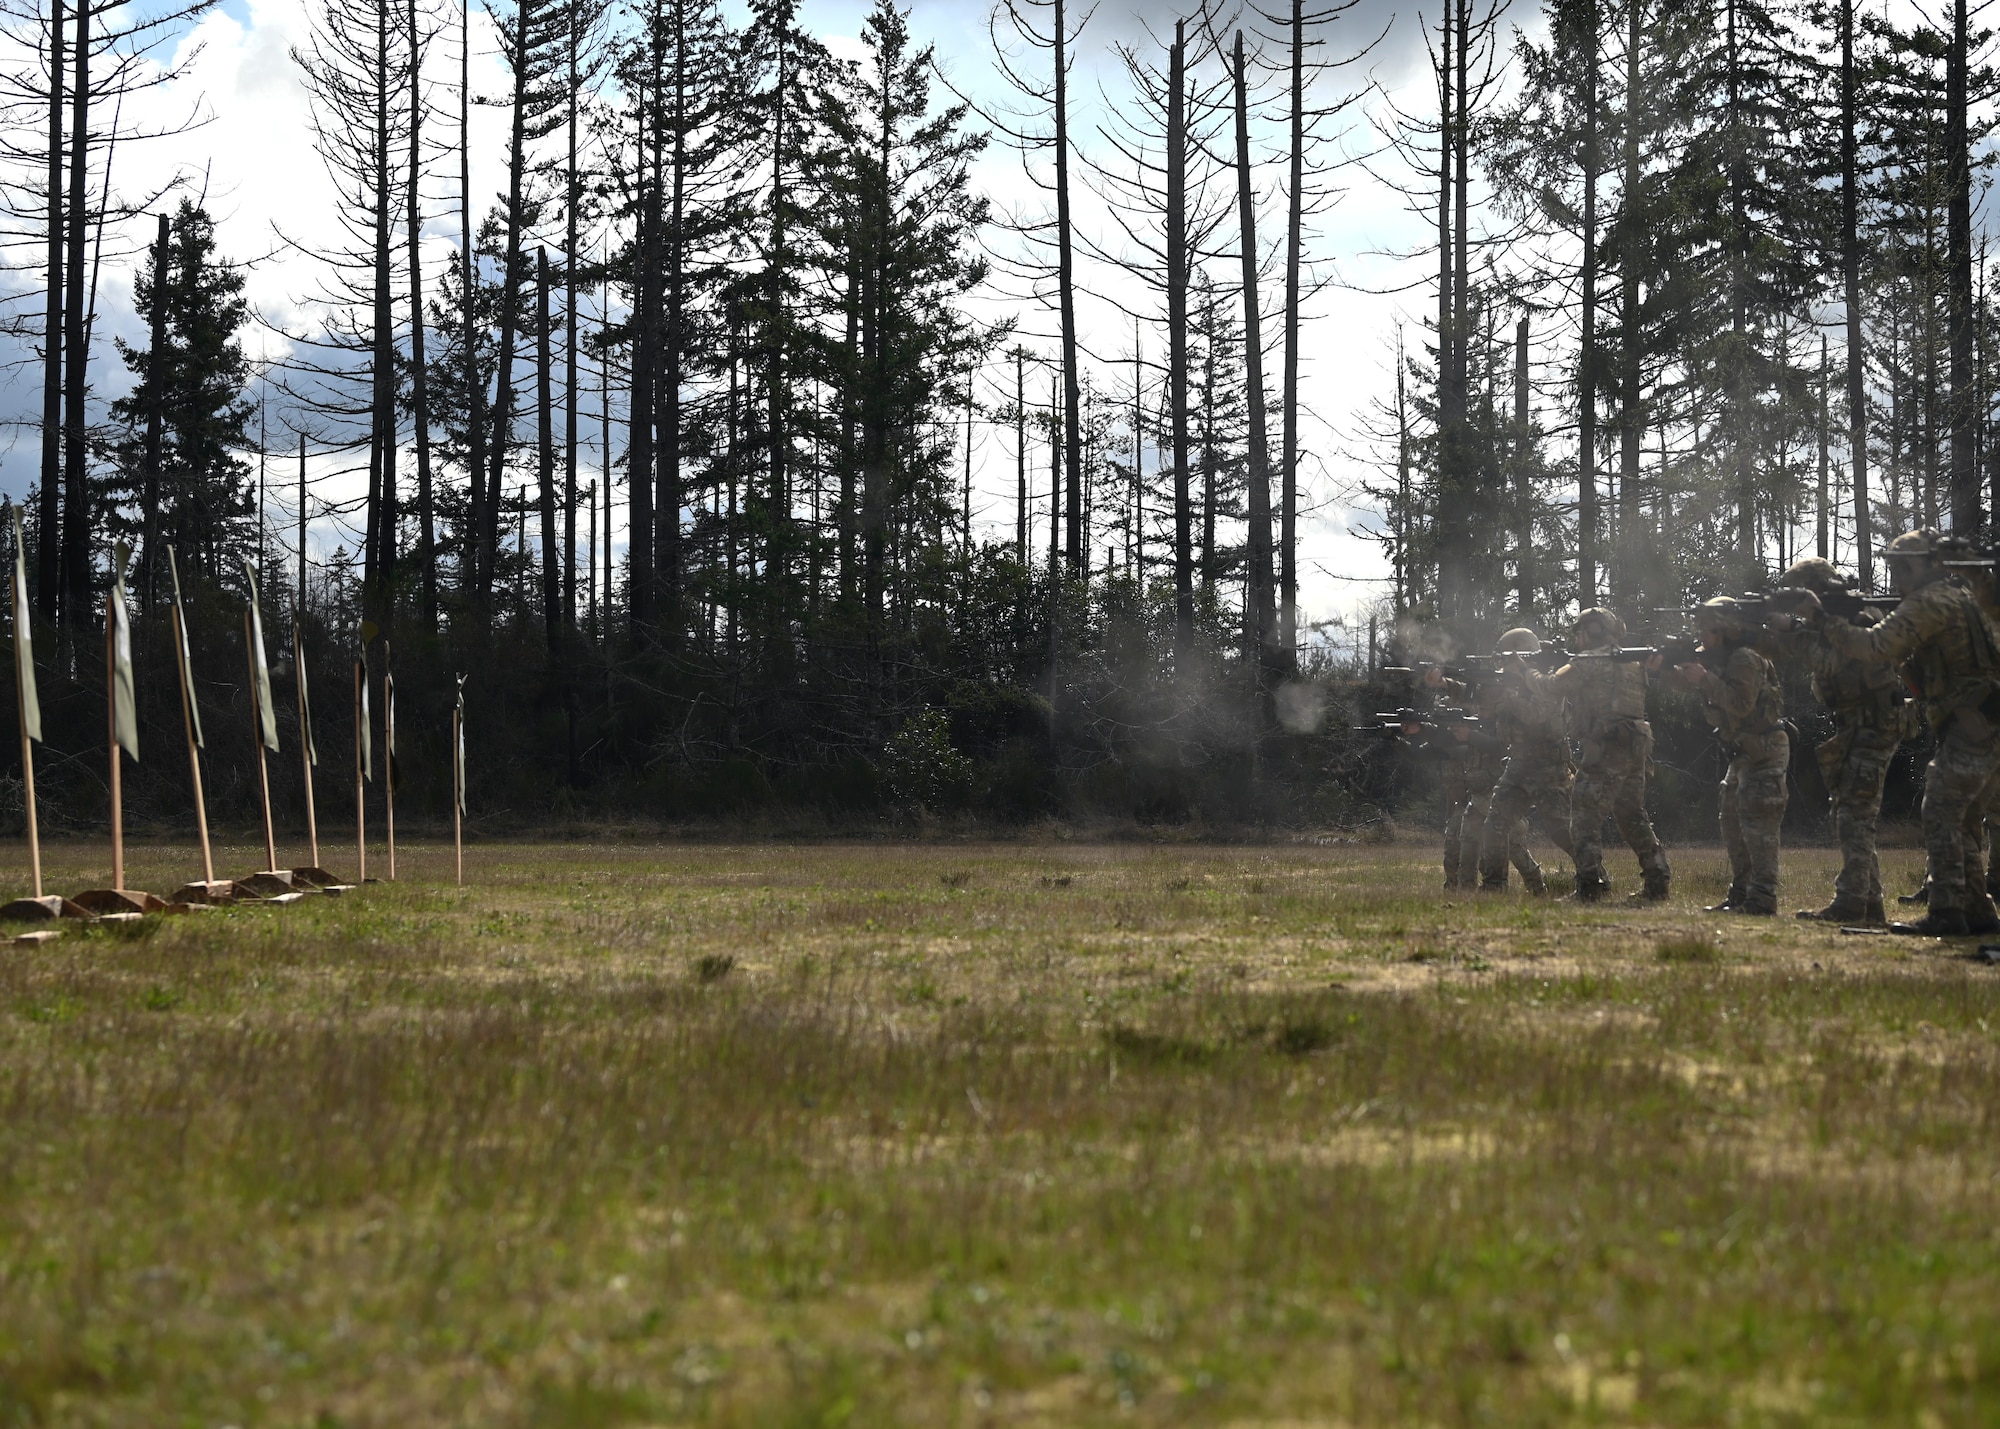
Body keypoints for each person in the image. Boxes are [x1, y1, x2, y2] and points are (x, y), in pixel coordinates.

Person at [1807, 530, 2000, 936]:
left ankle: (1947, 912)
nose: (1896, 579)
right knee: (1964, 818)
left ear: (1923, 566)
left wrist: (1826, 623)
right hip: (1981, 720)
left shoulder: (1929, 602)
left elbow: (1877, 647)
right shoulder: (1961, 596)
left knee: (1941, 810)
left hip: (1970, 722)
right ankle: (1978, 912)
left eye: (1900, 568)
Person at [1770, 558, 1910, 924]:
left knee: (1853, 813)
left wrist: (1805, 630)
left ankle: (1852, 903)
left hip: (1875, 721)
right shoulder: (1835, 619)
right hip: (1859, 722)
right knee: (1850, 810)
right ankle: (1869, 901)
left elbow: (1833, 664)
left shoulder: (1855, 616)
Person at [1676, 597, 1788, 916]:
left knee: (1759, 826)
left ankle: (1763, 899)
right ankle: (1741, 895)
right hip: (1741, 753)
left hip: (1764, 750)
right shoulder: (1719, 660)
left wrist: (1704, 678)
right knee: (1732, 822)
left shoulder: (1745, 658)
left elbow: (1740, 704)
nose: (1700, 636)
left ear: (1723, 629)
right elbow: (1698, 694)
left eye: (1706, 630)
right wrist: (1668, 672)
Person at [1555, 607, 1671, 902]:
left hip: (1606, 749)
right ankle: (1657, 881)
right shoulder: (1631, 661)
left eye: (1580, 632)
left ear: (1592, 631)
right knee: (1632, 816)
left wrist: (1525, 673)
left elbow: (1552, 686)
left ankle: (1591, 886)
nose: (1577, 639)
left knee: (1583, 816)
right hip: (1635, 747)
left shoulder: (1592, 660)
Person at [1474, 628, 1576, 895]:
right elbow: (1477, 701)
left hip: (1548, 765)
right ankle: (1495, 885)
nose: (1502, 665)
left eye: (1507, 659)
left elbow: (1536, 716)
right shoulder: (1508, 685)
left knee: (1560, 829)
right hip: (1518, 763)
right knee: (1495, 823)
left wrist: (1510, 696)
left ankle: (1594, 877)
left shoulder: (1546, 681)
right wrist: (1446, 684)